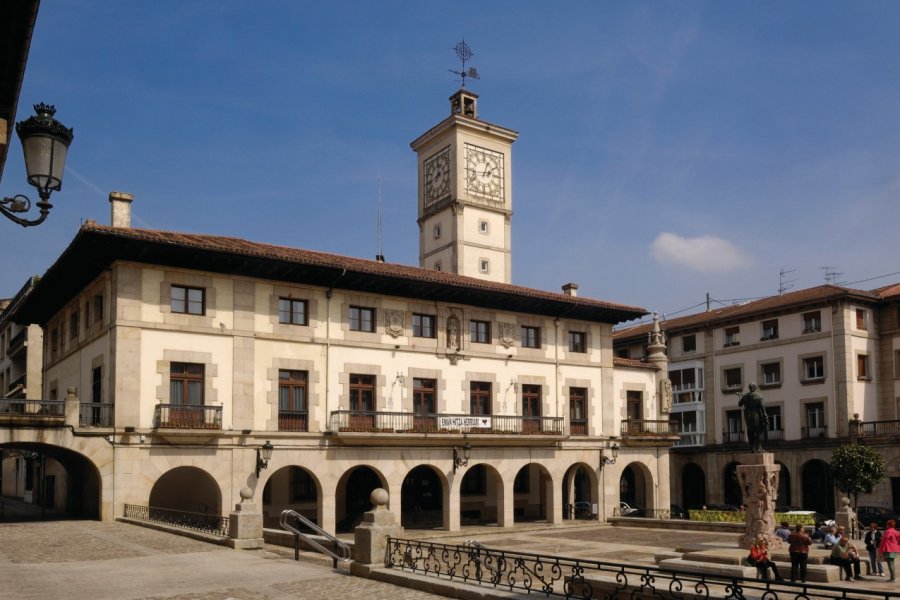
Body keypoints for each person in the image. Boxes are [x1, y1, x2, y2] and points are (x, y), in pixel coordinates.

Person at [738, 383, 767, 453]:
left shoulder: (745, 396)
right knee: (759, 432)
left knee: (750, 433)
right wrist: (765, 416)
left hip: (749, 418)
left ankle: (752, 449)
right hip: (757, 416)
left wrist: (740, 396)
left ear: (749, 388)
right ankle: (759, 448)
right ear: (755, 388)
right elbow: (762, 407)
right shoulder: (759, 396)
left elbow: (739, 404)